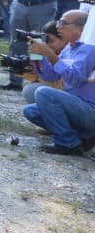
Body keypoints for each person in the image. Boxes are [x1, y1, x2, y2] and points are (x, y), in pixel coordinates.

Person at [21, 10, 95, 156]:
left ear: (81, 29)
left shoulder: (89, 50)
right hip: (76, 106)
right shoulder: (69, 48)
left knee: (43, 93)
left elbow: (76, 78)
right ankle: (82, 138)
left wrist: (50, 55)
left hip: (89, 109)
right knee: (30, 111)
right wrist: (37, 55)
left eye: (63, 23)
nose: (58, 27)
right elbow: (51, 76)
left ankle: (68, 144)